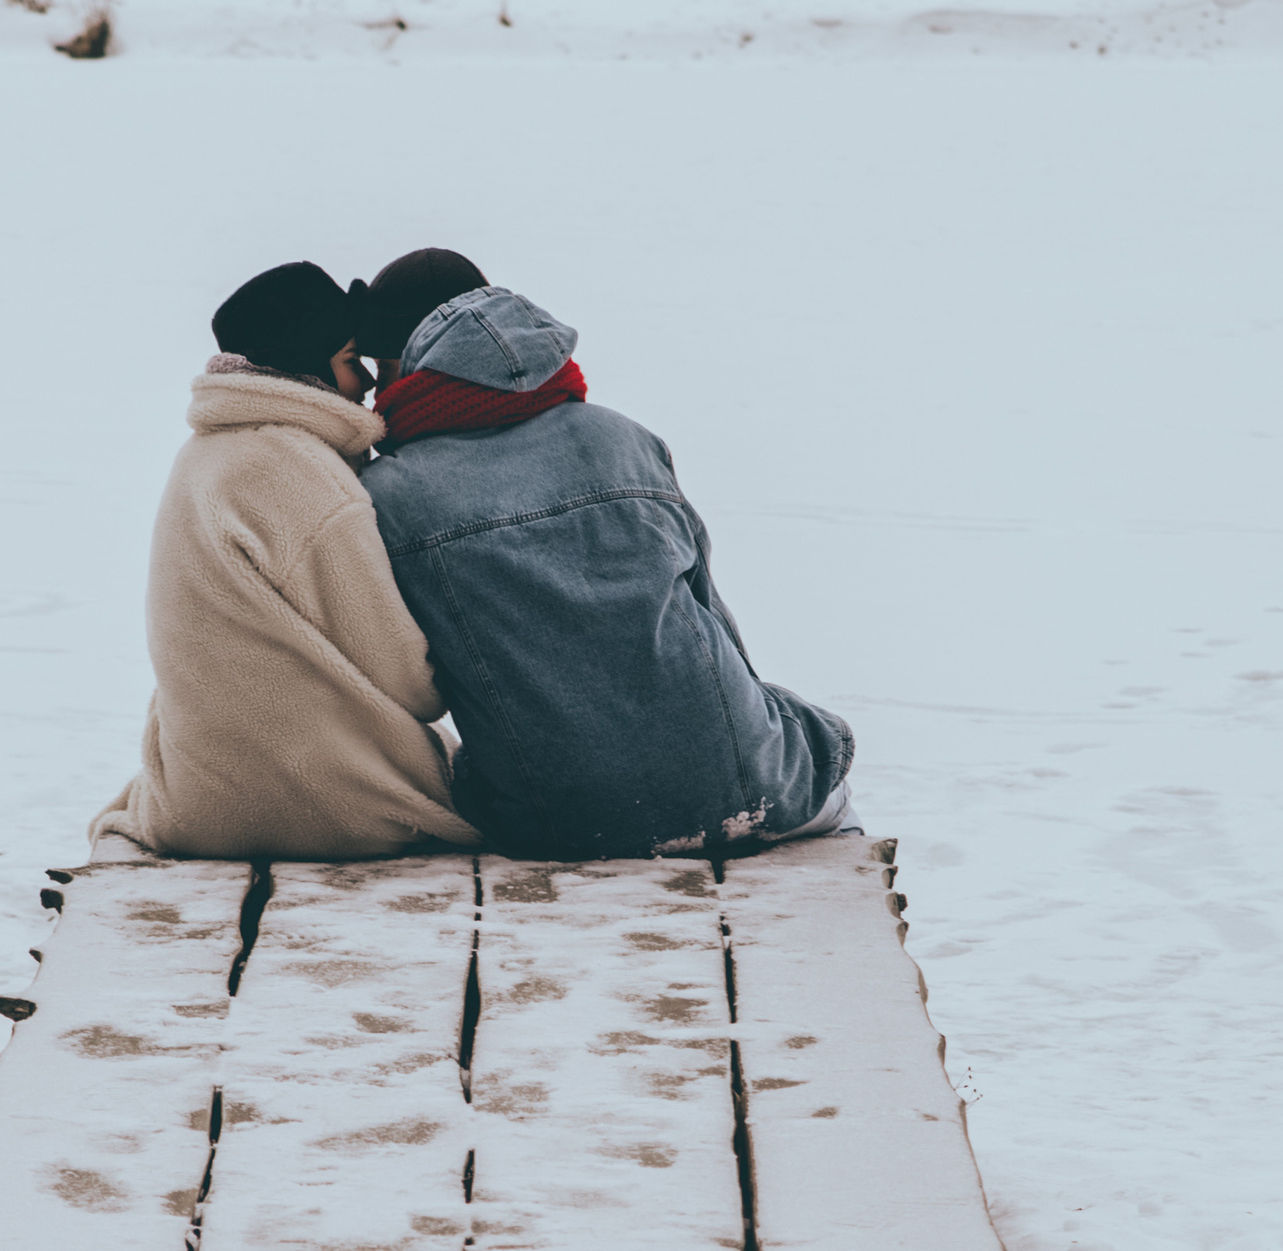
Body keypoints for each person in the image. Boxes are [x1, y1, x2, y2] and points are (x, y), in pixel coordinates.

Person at [354, 249, 856, 860]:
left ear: (405, 362)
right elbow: (714, 623)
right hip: (753, 790)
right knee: (813, 736)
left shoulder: (388, 495)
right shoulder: (623, 438)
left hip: (555, 825)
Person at [91, 261, 476, 862]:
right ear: (309, 367)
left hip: (198, 806)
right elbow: (413, 682)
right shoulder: (305, 478)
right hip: (331, 809)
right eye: (352, 361)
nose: (368, 386)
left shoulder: (203, 457)